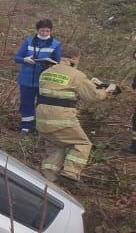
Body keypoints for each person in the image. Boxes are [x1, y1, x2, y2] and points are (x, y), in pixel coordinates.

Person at [35, 46, 118, 182]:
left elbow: (59, 91)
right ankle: (70, 173)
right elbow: (94, 96)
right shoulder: (77, 75)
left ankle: (48, 178)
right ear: (75, 58)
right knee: (82, 144)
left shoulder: (47, 72)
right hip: (61, 119)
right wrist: (108, 91)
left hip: (42, 118)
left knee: (59, 145)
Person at [13, 19, 62, 133]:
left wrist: (50, 65)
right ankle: (26, 126)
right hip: (27, 79)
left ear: (51, 31)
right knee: (26, 103)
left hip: (44, 80)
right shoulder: (29, 41)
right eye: (42, 31)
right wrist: (25, 60)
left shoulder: (56, 44)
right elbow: (17, 58)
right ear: (37, 30)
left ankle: (40, 127)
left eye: (47, 31)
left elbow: (58, 62)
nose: (44, 33)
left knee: (42, 104)